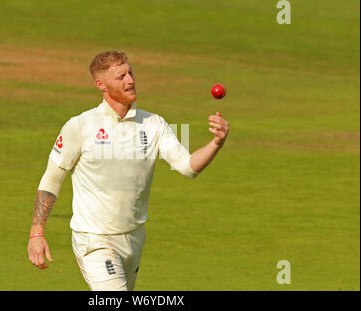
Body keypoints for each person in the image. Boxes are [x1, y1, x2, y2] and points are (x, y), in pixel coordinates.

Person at [27, 51, 230, 291]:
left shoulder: (154, 124)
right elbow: (52, 178)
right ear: (101, 85)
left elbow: (188, 167)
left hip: (134, 238)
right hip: (94, 239)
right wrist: (36, 233)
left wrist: (216, 143)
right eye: (121, 76)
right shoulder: (80, 126)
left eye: (130, 72)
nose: (130, 80)